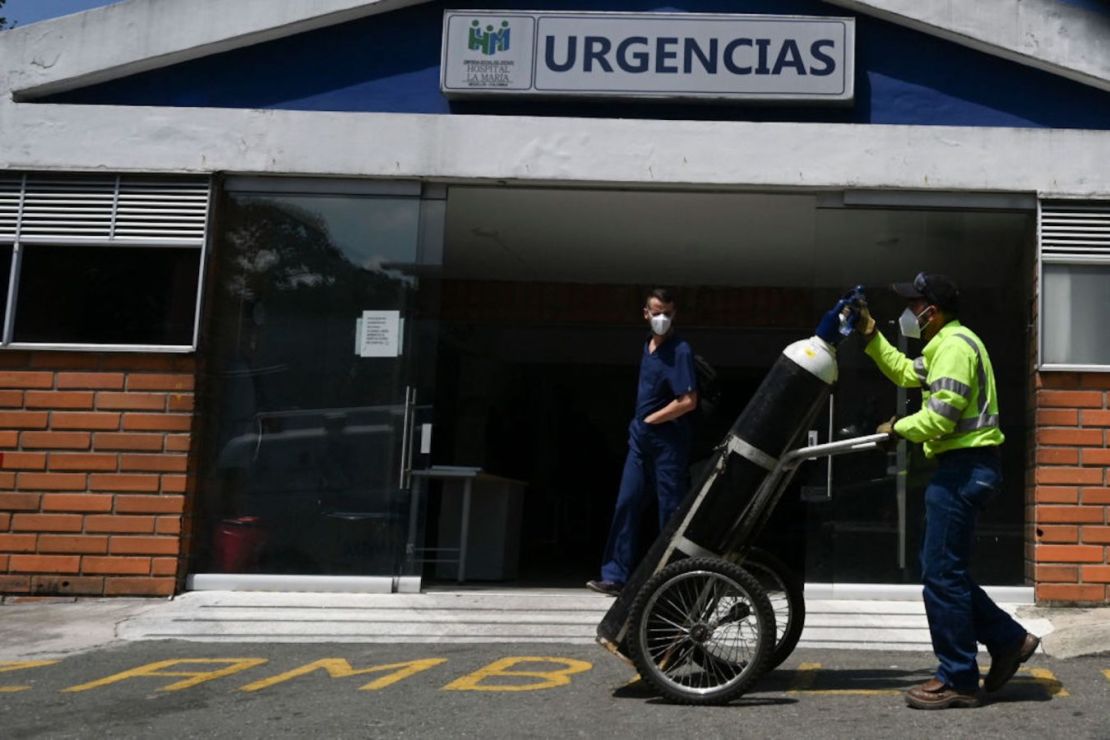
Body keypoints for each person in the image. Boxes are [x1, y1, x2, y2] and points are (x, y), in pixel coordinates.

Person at [855, 272, 1039, 710]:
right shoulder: (943, 346)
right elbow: (904, 371)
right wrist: (871, 334)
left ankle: (958, 677)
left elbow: (940, 418)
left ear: (931, 312)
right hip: (963, 468)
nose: (908, 312)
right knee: (943, 571)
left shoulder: (955, 349)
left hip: (964, 469)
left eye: (912, 304)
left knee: (940, 574)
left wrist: (897, 427)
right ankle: (1009, 640)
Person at [587, 288, 698, 597]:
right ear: (645, 313)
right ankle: (615, 576)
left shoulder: (680, 351)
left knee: (670, 511)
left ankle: (672, 580)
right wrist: (640, 426)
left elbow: (688, 400)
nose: (662, 318)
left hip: (668, 444)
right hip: (640, 442)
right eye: (656, 312)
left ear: (674, 314)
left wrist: (651, 420)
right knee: (627, 503)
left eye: (668, 313)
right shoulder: (646, 347)